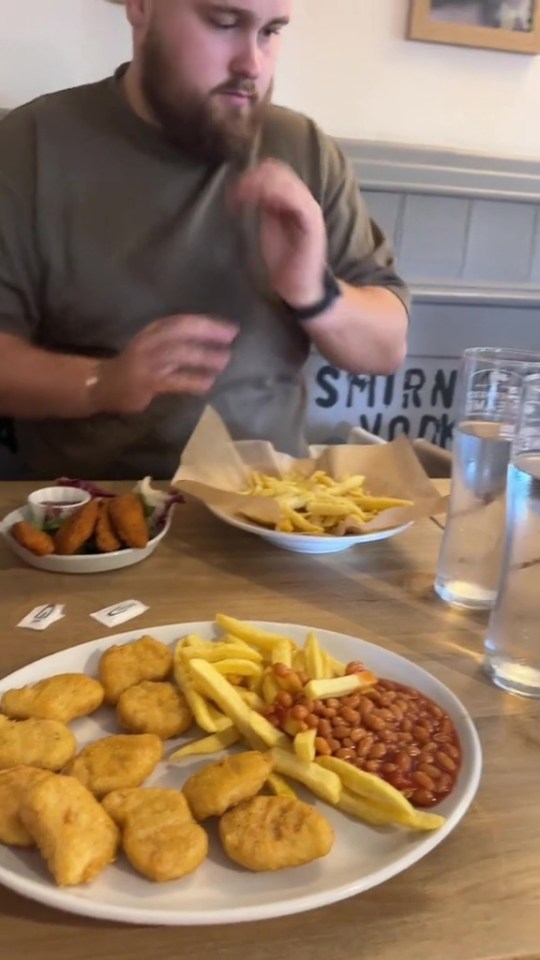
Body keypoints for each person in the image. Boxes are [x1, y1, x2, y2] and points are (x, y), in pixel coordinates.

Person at [0, 0, 409, 480]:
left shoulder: (303, 149)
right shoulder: (31, 145)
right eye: (224, 23)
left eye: (270, 32)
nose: (251, 63)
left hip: (274, 512)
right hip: (93, 514)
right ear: (141, 7)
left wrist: (315, 291)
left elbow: (386, 350)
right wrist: (103, 384)